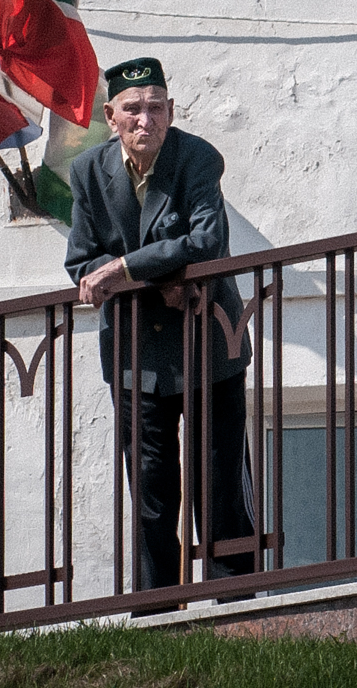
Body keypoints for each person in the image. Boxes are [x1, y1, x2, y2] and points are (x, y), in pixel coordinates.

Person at [65, 57, 255, 604]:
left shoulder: (197, 157)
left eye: (155, 107)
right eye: (132, 109)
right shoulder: (88, 172)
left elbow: (207, 242)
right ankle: (156, 612)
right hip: (135, 356)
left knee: (219, 485)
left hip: (209, 345)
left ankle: (235, 606)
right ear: (111, 116)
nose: (144, 119)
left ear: (171, 110)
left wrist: (125, 268)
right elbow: (81, 263)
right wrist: (160, 281)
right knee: (150, 491)